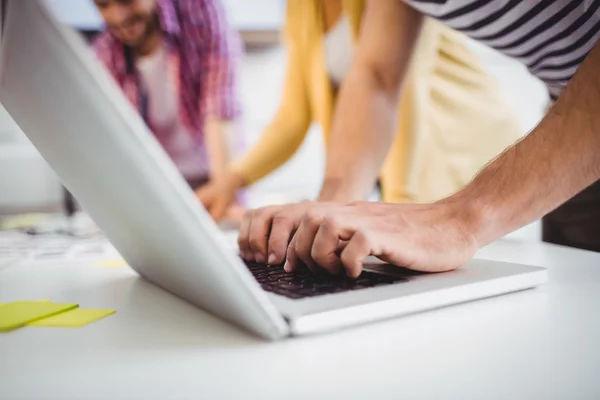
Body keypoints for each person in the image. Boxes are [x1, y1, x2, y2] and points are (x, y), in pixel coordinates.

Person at [238, 0, 600, 277]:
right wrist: (331, 207)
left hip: (502, 160)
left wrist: (458, 218)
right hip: (569, 139)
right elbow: (377, 78)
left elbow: (411, 102)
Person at [197, 0, 523, 221]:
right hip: (393, 163)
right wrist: (228, 183)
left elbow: (404, 96)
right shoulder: (301, 7)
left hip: (464, 155)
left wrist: (397, 208)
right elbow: (292, 118)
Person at [92, 0, 245, 220]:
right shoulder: (103, 52)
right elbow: (117, 146)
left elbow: (220, 109)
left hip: (214, 176)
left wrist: (223, 191)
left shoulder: (201, 13)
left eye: (127, 0)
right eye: (103, 5)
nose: (118, 16)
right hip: (159, 189)